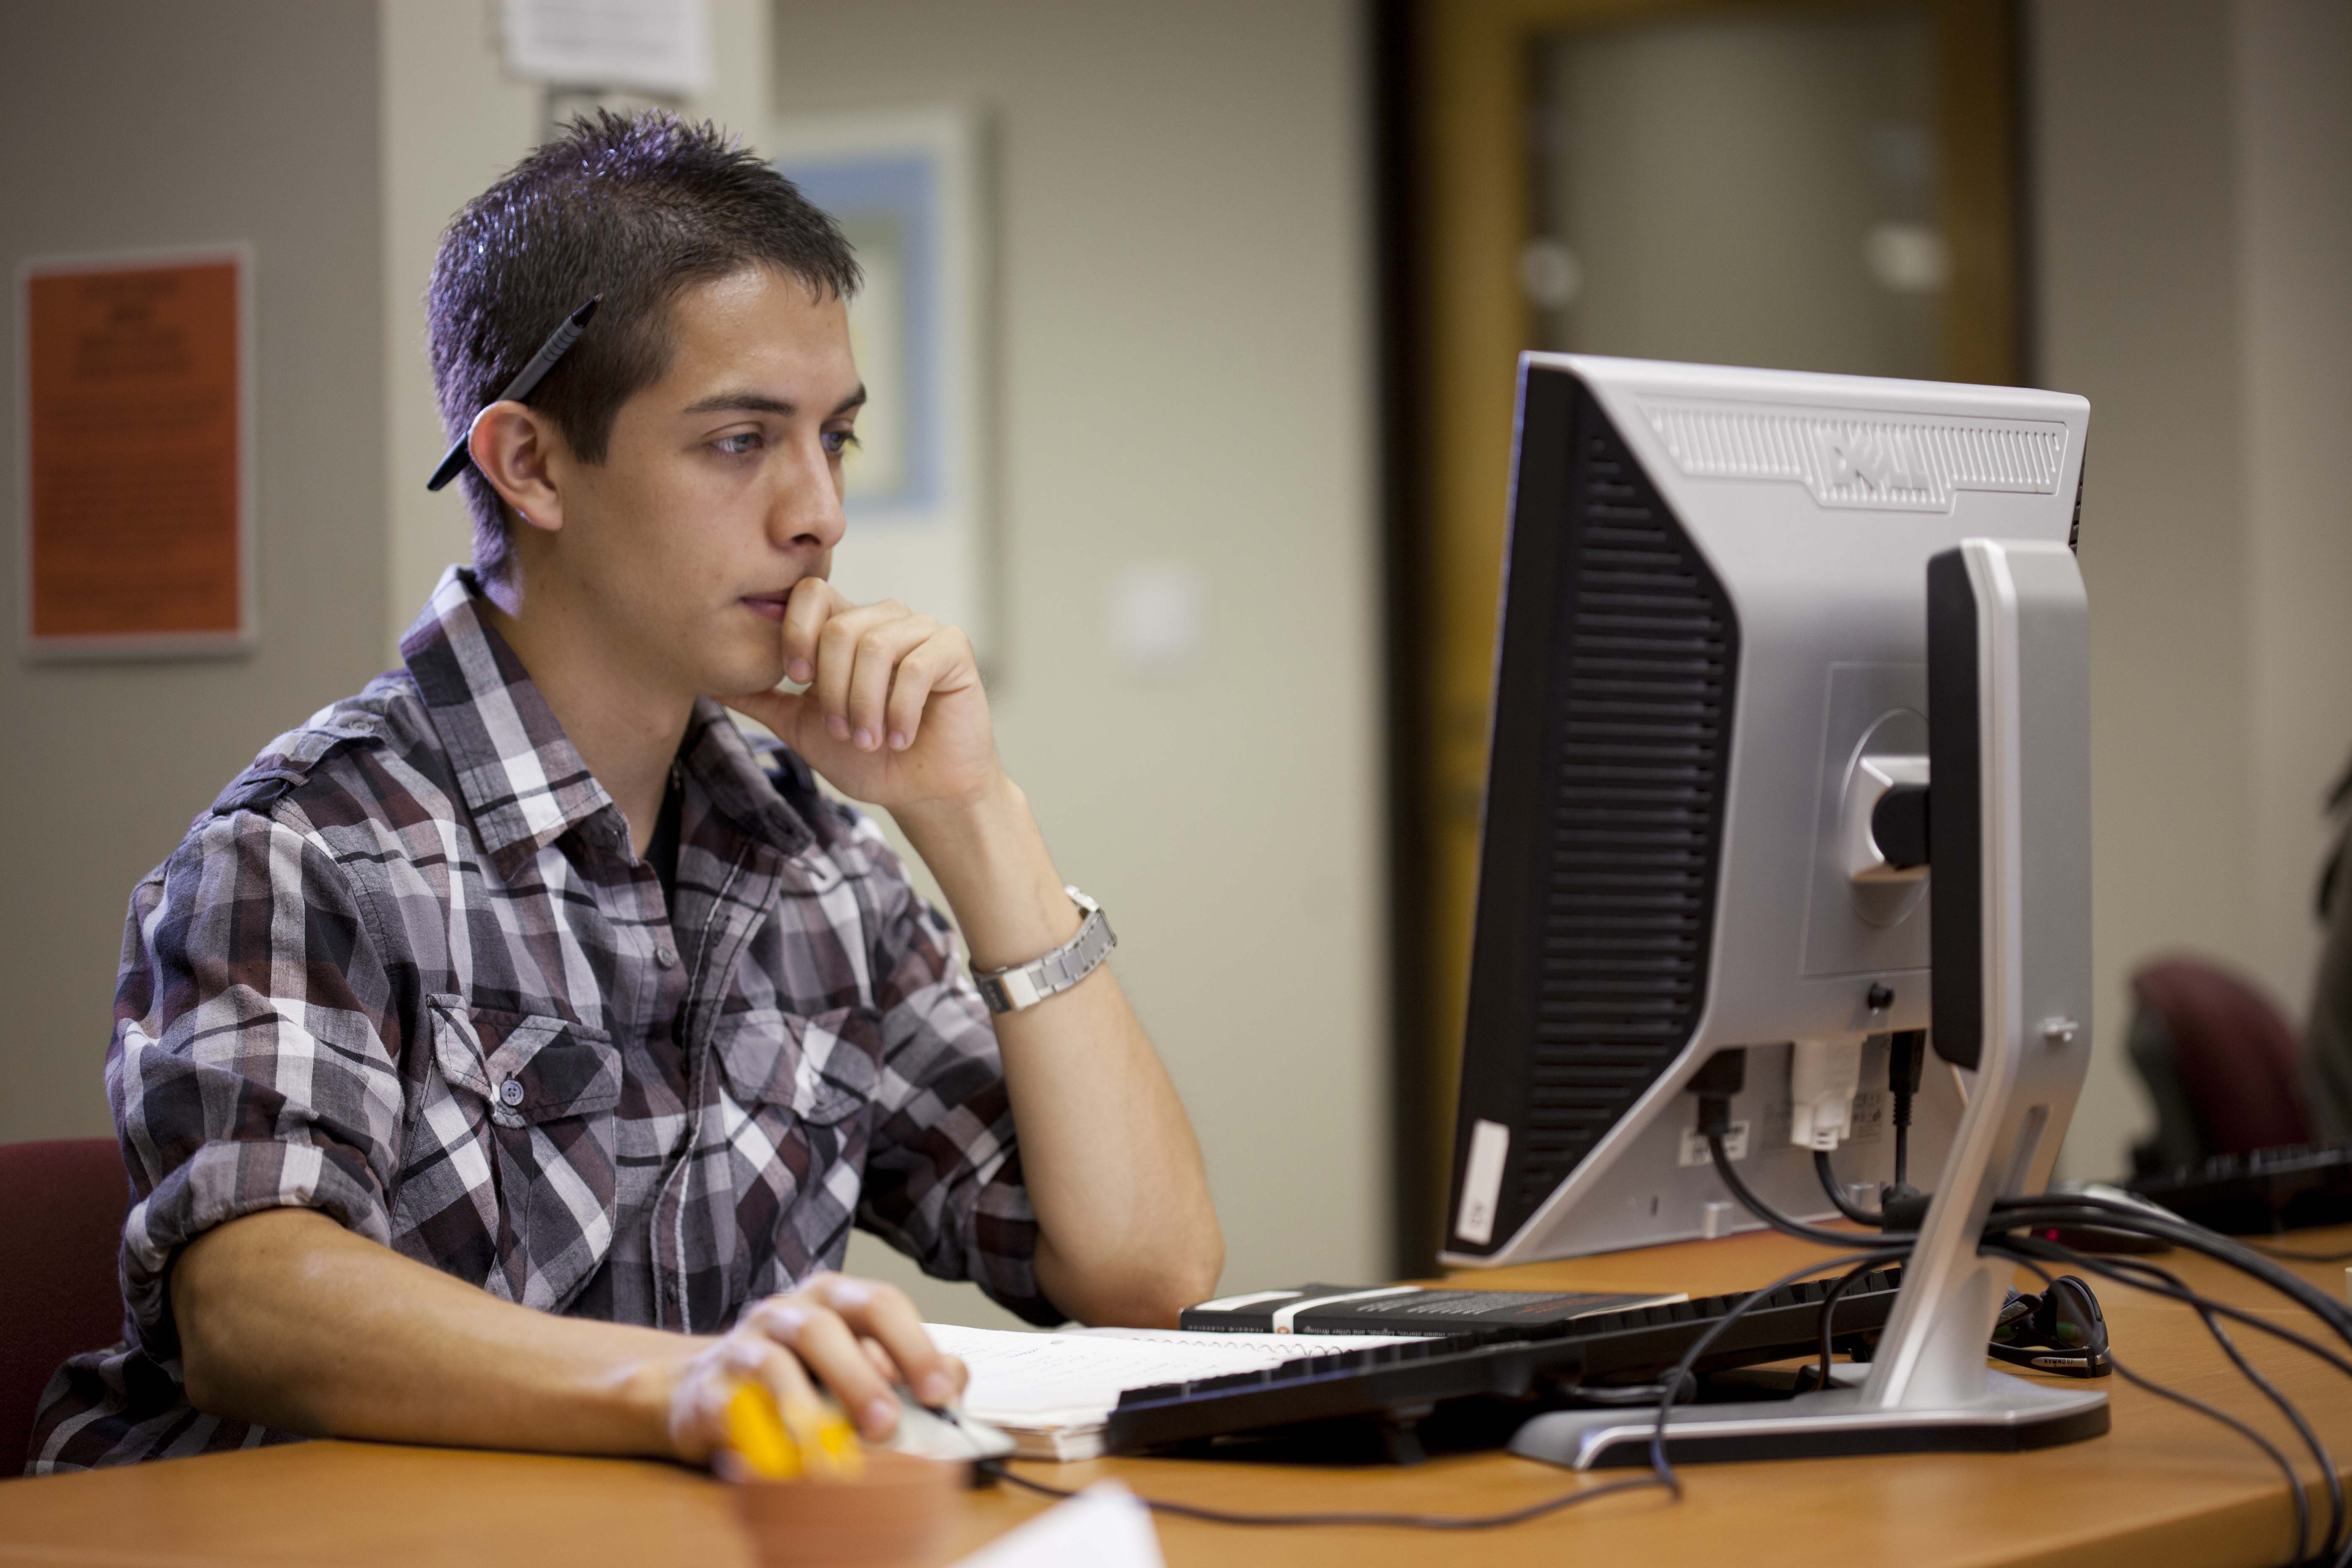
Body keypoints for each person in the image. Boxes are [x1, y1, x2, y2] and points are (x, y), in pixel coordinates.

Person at [28, 111, 1222, 1473]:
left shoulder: (813, 861)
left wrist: (971, 811)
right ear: (528, 464)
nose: (818, 510)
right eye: (738, 441)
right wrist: (687, 1387)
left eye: (833, 438)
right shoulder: (304, 849)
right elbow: (251, 1303)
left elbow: (1141, 1275)